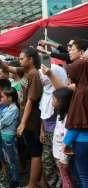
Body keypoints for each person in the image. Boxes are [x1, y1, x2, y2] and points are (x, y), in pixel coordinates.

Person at [0, 47, 43, 188]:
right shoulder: (25, 71)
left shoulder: (33, 74)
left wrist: (22, 123)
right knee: (31, 151)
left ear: (31, 59)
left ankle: (32, 183)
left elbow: (30, 101)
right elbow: (7, 67)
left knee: (35, 152)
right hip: (25, 118)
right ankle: (36, 181)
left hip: (32, 120)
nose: (19, 60)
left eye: (22, 58)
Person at [61, 39, 88, 187]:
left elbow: (78, 123)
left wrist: (66, 142)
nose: (69, 51)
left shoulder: (82, 91)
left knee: (83, 175)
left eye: (72, 48)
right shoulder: (82, 87)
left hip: (83, 140)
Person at [38, 64, 67, 188]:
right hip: (47, 134)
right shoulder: (46, 92)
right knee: (47, 162)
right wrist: (42, 130)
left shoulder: (61, 95)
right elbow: (43, 115)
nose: (42, 77)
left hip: (58, 138)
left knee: (60, 165)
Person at [0, 87, 21, 188]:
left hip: (9, 138)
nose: (1, 99)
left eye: (2, 97)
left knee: (12, 161)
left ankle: (15, 183)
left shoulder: (14, 109)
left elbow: (3, 122)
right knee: (8, 159)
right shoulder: (6, 108)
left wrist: (1, 119)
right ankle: (11, 181)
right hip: (4, 136)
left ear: (10, 98)